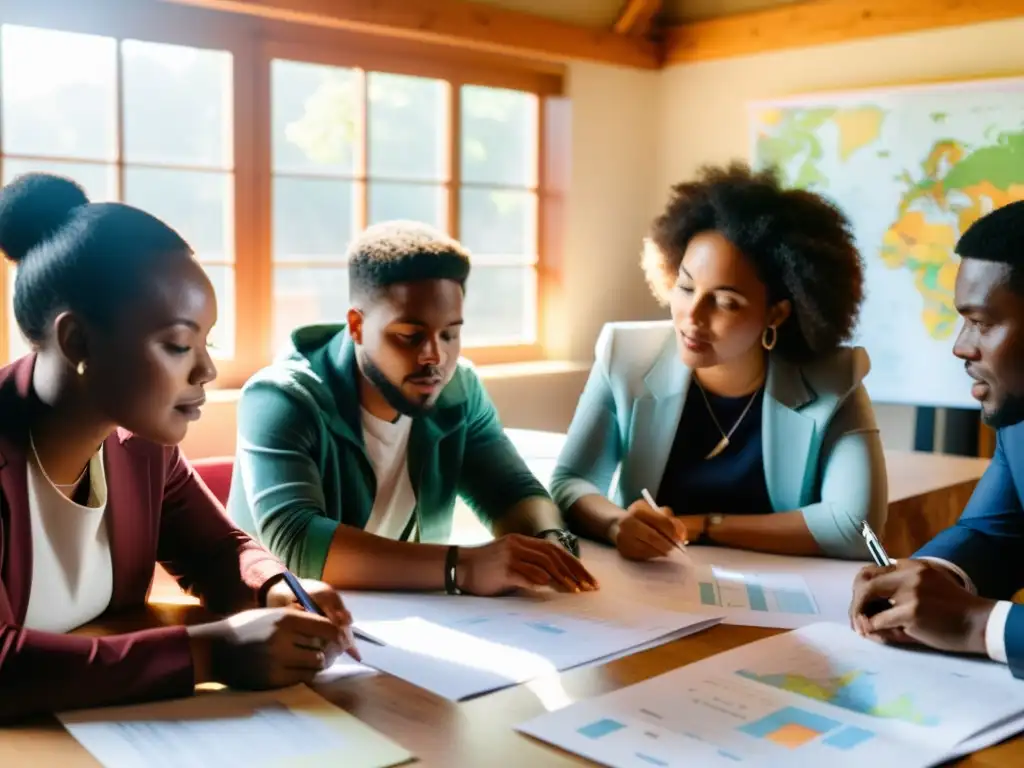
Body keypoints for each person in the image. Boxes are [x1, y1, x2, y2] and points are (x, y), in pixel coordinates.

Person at [0, 174, 355, 722]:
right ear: (77, 341)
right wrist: (211, 652)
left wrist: (280, 591)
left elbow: (216, 552)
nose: (207, 369)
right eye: (178, 344)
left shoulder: (143, 448)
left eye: (206, 343)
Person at [228, 220, 597, 596]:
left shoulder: (459, 389)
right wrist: (463, 567)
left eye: (450, 334)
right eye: (410, 336)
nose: (434, 356)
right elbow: (295, 542)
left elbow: (512, 490)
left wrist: (550, 539)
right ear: (356, 325)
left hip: (406, 622)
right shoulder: (281, 397)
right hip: (284, 629)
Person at [551, 163, 888, 561]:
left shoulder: (832, 380)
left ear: (776, 314)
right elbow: (572, 481)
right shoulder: (626, 357)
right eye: (686, 287)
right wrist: (615, 523)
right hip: (656, 590)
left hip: (781, 599)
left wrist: (704, 526)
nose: (692, 316)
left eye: (726, 302)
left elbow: (857, 526)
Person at [850, 200, 1024, 677]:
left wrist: (977, 623)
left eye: (982, 322)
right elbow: (992, 534)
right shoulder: (1018, 424)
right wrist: (927, 581)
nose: (961, 345)